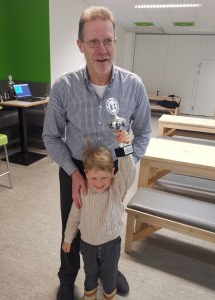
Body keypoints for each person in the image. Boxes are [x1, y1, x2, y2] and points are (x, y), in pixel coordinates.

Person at [42, 5, 152, 300]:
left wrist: (128, 168)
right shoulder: (64, 87)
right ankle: (67, 279)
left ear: (115, 42)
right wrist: (74, 172)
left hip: (116, 168)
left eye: (108, 41)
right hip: (76, 167)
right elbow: (51, 137)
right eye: (93, 41)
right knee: (74, 223)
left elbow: (144, 132)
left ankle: (111, 272)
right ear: (80, 45)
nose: (102, 49)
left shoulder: (133, 86)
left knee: (111, 222)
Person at [62, 130, 136, 300]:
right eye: (94, 178)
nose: (99, 183)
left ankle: (109, 295)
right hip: (87, 245)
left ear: (112, 173)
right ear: (86, 174)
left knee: (110, 275)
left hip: (111, 244)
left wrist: (123, 146)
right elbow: (74, 217)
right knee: (90, 273)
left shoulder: (117, 188)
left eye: (104, 177)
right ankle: (90, 295)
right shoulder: (83, 191)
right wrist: (67, 239)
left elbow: (130, 175)